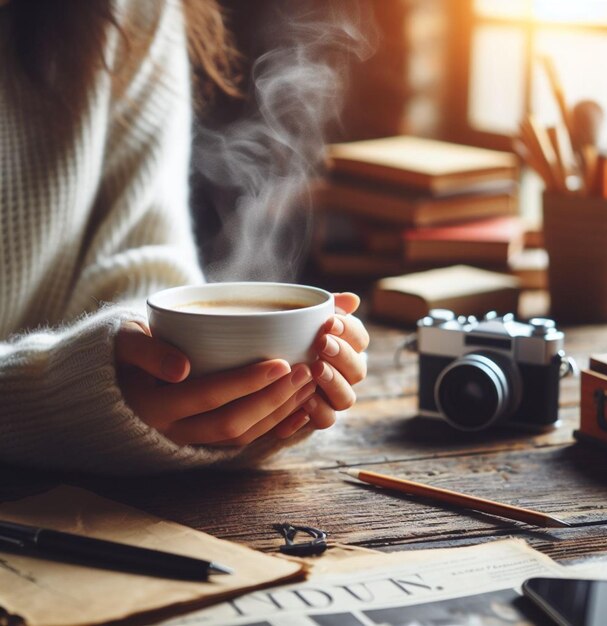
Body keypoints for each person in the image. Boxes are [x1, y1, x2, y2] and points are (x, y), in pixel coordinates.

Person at [0, 0, 368, 474]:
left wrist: (217, 414)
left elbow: (143, 278)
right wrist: (52, 406)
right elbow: (75, 401)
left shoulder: (131, 12)